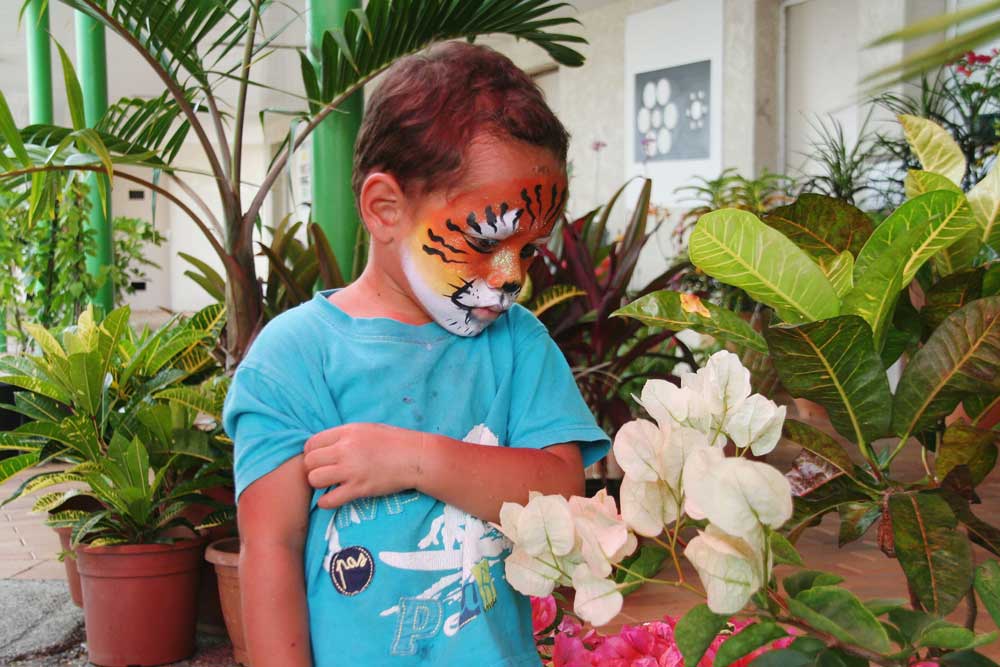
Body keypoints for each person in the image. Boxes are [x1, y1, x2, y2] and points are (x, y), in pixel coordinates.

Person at [223, 41, 610, 667]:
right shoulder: (293, 359)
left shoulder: (519, 345)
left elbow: (561, 493)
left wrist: (414, 460)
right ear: (385, 209)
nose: (513, 277)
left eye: (529, 249)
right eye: (486, 242)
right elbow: (270, 549)